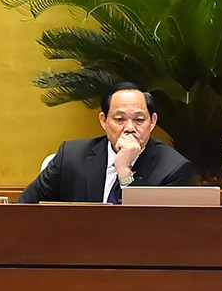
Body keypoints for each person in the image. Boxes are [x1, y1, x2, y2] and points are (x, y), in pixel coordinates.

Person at [16, 83, 196, 203]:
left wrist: (124, 174)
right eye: (119, 119)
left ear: (153, 122)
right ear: (103, 121)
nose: (129, 128)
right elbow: (22, 207)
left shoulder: (173, 168)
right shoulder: (70, 157)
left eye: (139, 120)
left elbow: (157, 229)